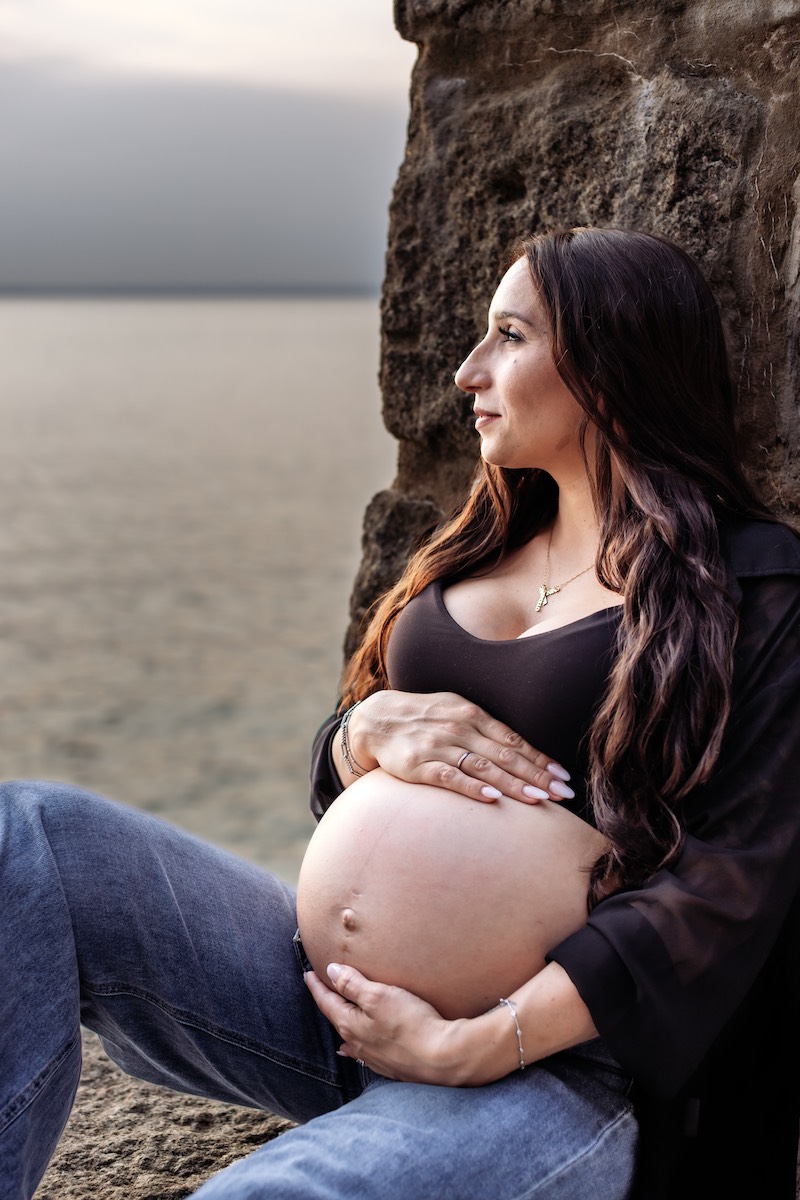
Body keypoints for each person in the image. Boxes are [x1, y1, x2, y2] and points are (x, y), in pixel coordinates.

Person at [2, 227, 798, 1200]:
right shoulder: (471, 548)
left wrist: (475, 1044)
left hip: (554, 1071)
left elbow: (729, 886)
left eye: (507, 336)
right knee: (28, 837)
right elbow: (354, 767)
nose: (467, 372)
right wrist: (354, 736)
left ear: (609, 357)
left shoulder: (749, 588)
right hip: (333, 1009)